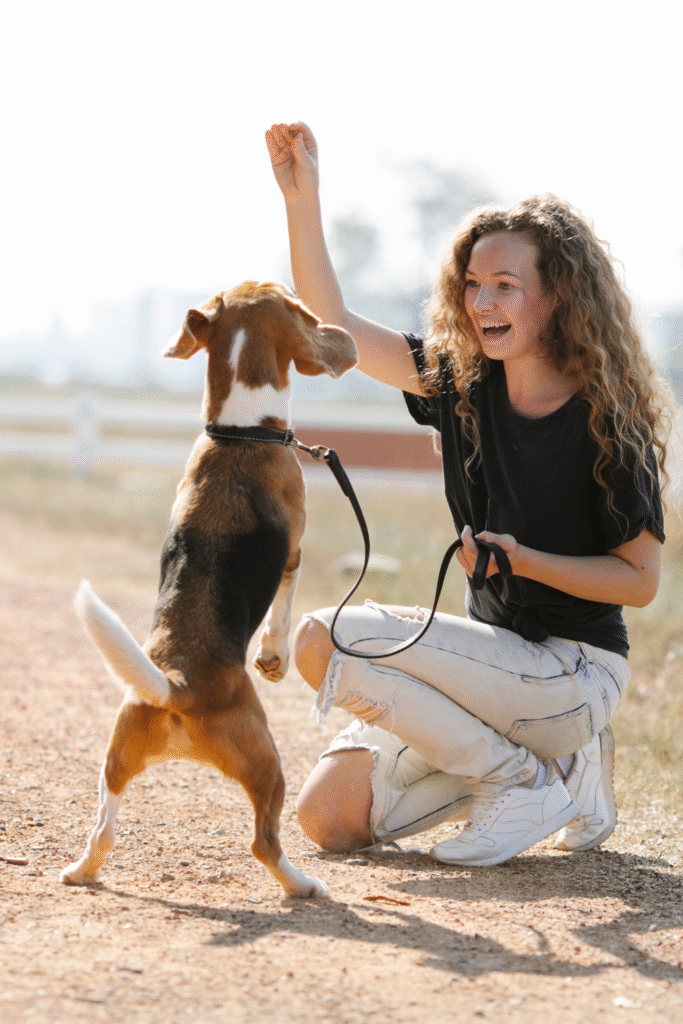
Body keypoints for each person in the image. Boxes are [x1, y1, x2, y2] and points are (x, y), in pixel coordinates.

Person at [265, 121, 670, 867]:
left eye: (505, 286)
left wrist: (524, 559)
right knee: (329, 820)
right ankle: (562, 777)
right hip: (495, 673)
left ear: (558, 298)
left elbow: (640, 583)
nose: (482, 301)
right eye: (472, 285)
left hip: (573, 674)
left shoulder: (608, 422)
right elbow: (336, 327)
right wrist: (302, 199)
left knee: (321, 637)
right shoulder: (459, 384)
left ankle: (519, 778)